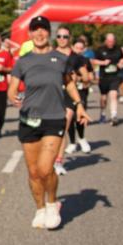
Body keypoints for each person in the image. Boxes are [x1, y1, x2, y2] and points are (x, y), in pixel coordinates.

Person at [8, 16, 89, 230]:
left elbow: (70, 84)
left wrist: (79, 105)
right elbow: (12, 87)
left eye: (43, 29)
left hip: (54, 118)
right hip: (29, 120)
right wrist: (13, 96)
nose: (39, 33)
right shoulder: (23, 61)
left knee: (45, 169)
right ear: (30, 34)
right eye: (35, 30)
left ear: (48, 33)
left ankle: (52, 203)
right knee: (33, 172)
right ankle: (40, 209)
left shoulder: (60, 59)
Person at [52, 27, 76, 176]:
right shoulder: (50, 54)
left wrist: (82, 77)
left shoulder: (75, 57)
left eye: (65, 37)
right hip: (52, 94)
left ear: (69, 38)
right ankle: (49, 156)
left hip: (68, 94)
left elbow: (86, 74)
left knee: (63, 126)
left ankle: (58, 161)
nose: (62, 39)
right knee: (50, 129)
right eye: (59, 36)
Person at [65, 37, 94, 154]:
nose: (78, 50)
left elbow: (91, 77)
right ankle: (72, 142)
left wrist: (80, 78)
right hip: (68, 92)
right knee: (69, 118)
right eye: (76, 48)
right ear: (72, 47)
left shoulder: (85, 61)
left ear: (84, 49)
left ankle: (81, 138)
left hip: (82, 91)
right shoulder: (67, 59)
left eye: (81, 48)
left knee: (80, 117)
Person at [91, 33, 123, 125]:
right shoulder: (100, 50)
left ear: (114, 41)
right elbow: (93, 61)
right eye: (109, 41)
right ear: (106, 41)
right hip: (103, 77)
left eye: (112, 41)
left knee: (113, 95)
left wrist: (120, 63)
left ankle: (113, 115)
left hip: (115, 76)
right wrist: (103, 62)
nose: (110, 43)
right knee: (104, 98)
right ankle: (102, 114)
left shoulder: (118, 49)